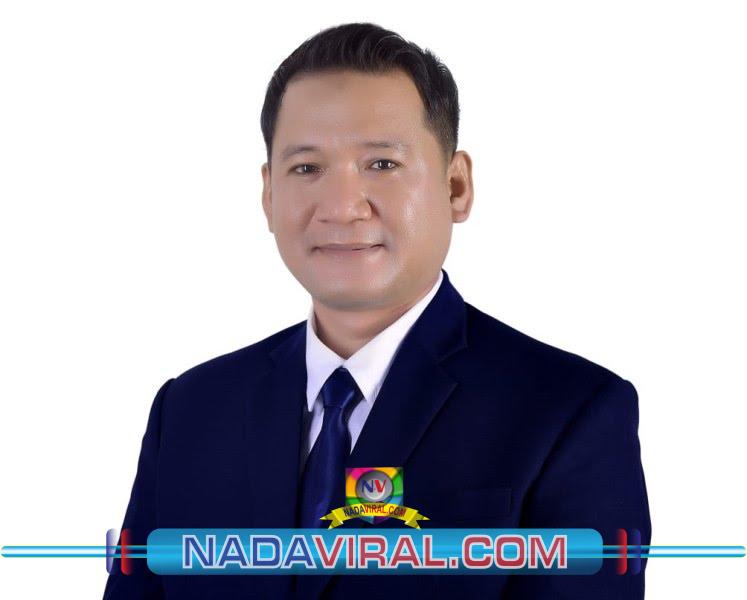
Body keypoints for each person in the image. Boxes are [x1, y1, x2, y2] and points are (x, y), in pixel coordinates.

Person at [103, 22, 651, 599]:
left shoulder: (570, 413)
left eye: (382, 164)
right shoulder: (190, 411)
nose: (342, 207)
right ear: (268, 194)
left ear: (456, 187)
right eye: (306, 168)